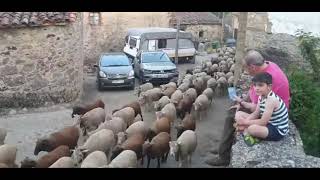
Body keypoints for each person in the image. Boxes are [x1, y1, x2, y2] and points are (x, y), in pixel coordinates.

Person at [205, 50, 290, 166]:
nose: (246, 72)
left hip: (271, 114)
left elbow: (258, 108)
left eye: (246, 69)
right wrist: (243, 101)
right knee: (235, 110)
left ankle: (223, 155)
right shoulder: (267, 67)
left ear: (253, 67)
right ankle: (223, 146)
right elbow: (253, 92)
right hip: (263, 108)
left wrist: (245, 116)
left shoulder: (270, 79)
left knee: (231, 116)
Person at [236, 72, 289, 146]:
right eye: (254, 85)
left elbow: (263, 122)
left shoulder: (271, 100)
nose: (256, 88)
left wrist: (245, 123)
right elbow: (256, 113)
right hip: (268, 122)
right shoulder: (261, 96)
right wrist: (245, 121)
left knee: (252, 129)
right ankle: (249, 132)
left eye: (260, 85)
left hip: (277, 129)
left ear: (269, 87)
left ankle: (247, 134)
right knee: (238, 114)